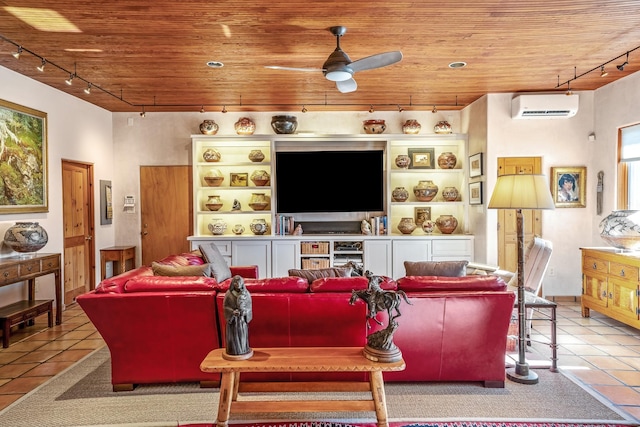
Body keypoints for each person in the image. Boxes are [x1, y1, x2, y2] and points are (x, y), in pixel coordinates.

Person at [223, 275, 253, 357]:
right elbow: (225, 307)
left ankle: (243, 349)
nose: (237, 284)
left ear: (242, 283)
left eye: (239, 282)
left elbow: (249, 307)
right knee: (233, 338)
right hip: (233, 322)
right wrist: (232, 312)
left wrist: (245, 312)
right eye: (235, 282)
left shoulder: (246, 294)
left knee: (242, 337)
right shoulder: (228, 294)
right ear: (233, 283)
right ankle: (233, 351)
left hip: (242, 321)